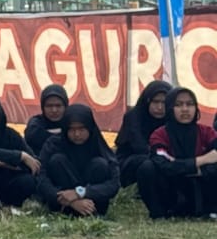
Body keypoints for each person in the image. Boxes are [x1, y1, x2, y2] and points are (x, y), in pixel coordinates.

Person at [139, 87, 217, 219]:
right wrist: (201, 161)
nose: (185, 109)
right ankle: (160, 213)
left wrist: (183, 167)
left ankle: (210, 211)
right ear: (170, 108)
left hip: (200, 192)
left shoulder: (207, 132)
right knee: (147, 168)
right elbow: (163, 165)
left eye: (190, 104)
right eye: (178, 105)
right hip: (171, 192)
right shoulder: (160, 134)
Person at [38, 104, 120, 218]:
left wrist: (80, 193)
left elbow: (114, 184)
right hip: (62, 205)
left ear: (90, 128)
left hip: (93, 207)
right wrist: (69, 200)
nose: (77, 134)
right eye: (72, 129)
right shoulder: (54, 144)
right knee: (57, 160)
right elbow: (41, 178)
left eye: (81, 129)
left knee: (100, 164)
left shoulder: (98, 145)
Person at [115, 79, 171, 187]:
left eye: (164, 103)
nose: (159, 107)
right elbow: (139, 147)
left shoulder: (172, 119)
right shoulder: (134, 117)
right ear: (147, 101)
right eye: (155, 102)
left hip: (163, 161)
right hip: (131, 161)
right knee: (147, 162)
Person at [24, 84, 69, 156]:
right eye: (49, 106)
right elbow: (32, 137)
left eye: (58, 106)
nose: (54, 110)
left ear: (65, 106)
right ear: (43, 107)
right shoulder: (35, 124)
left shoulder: (72, 123)